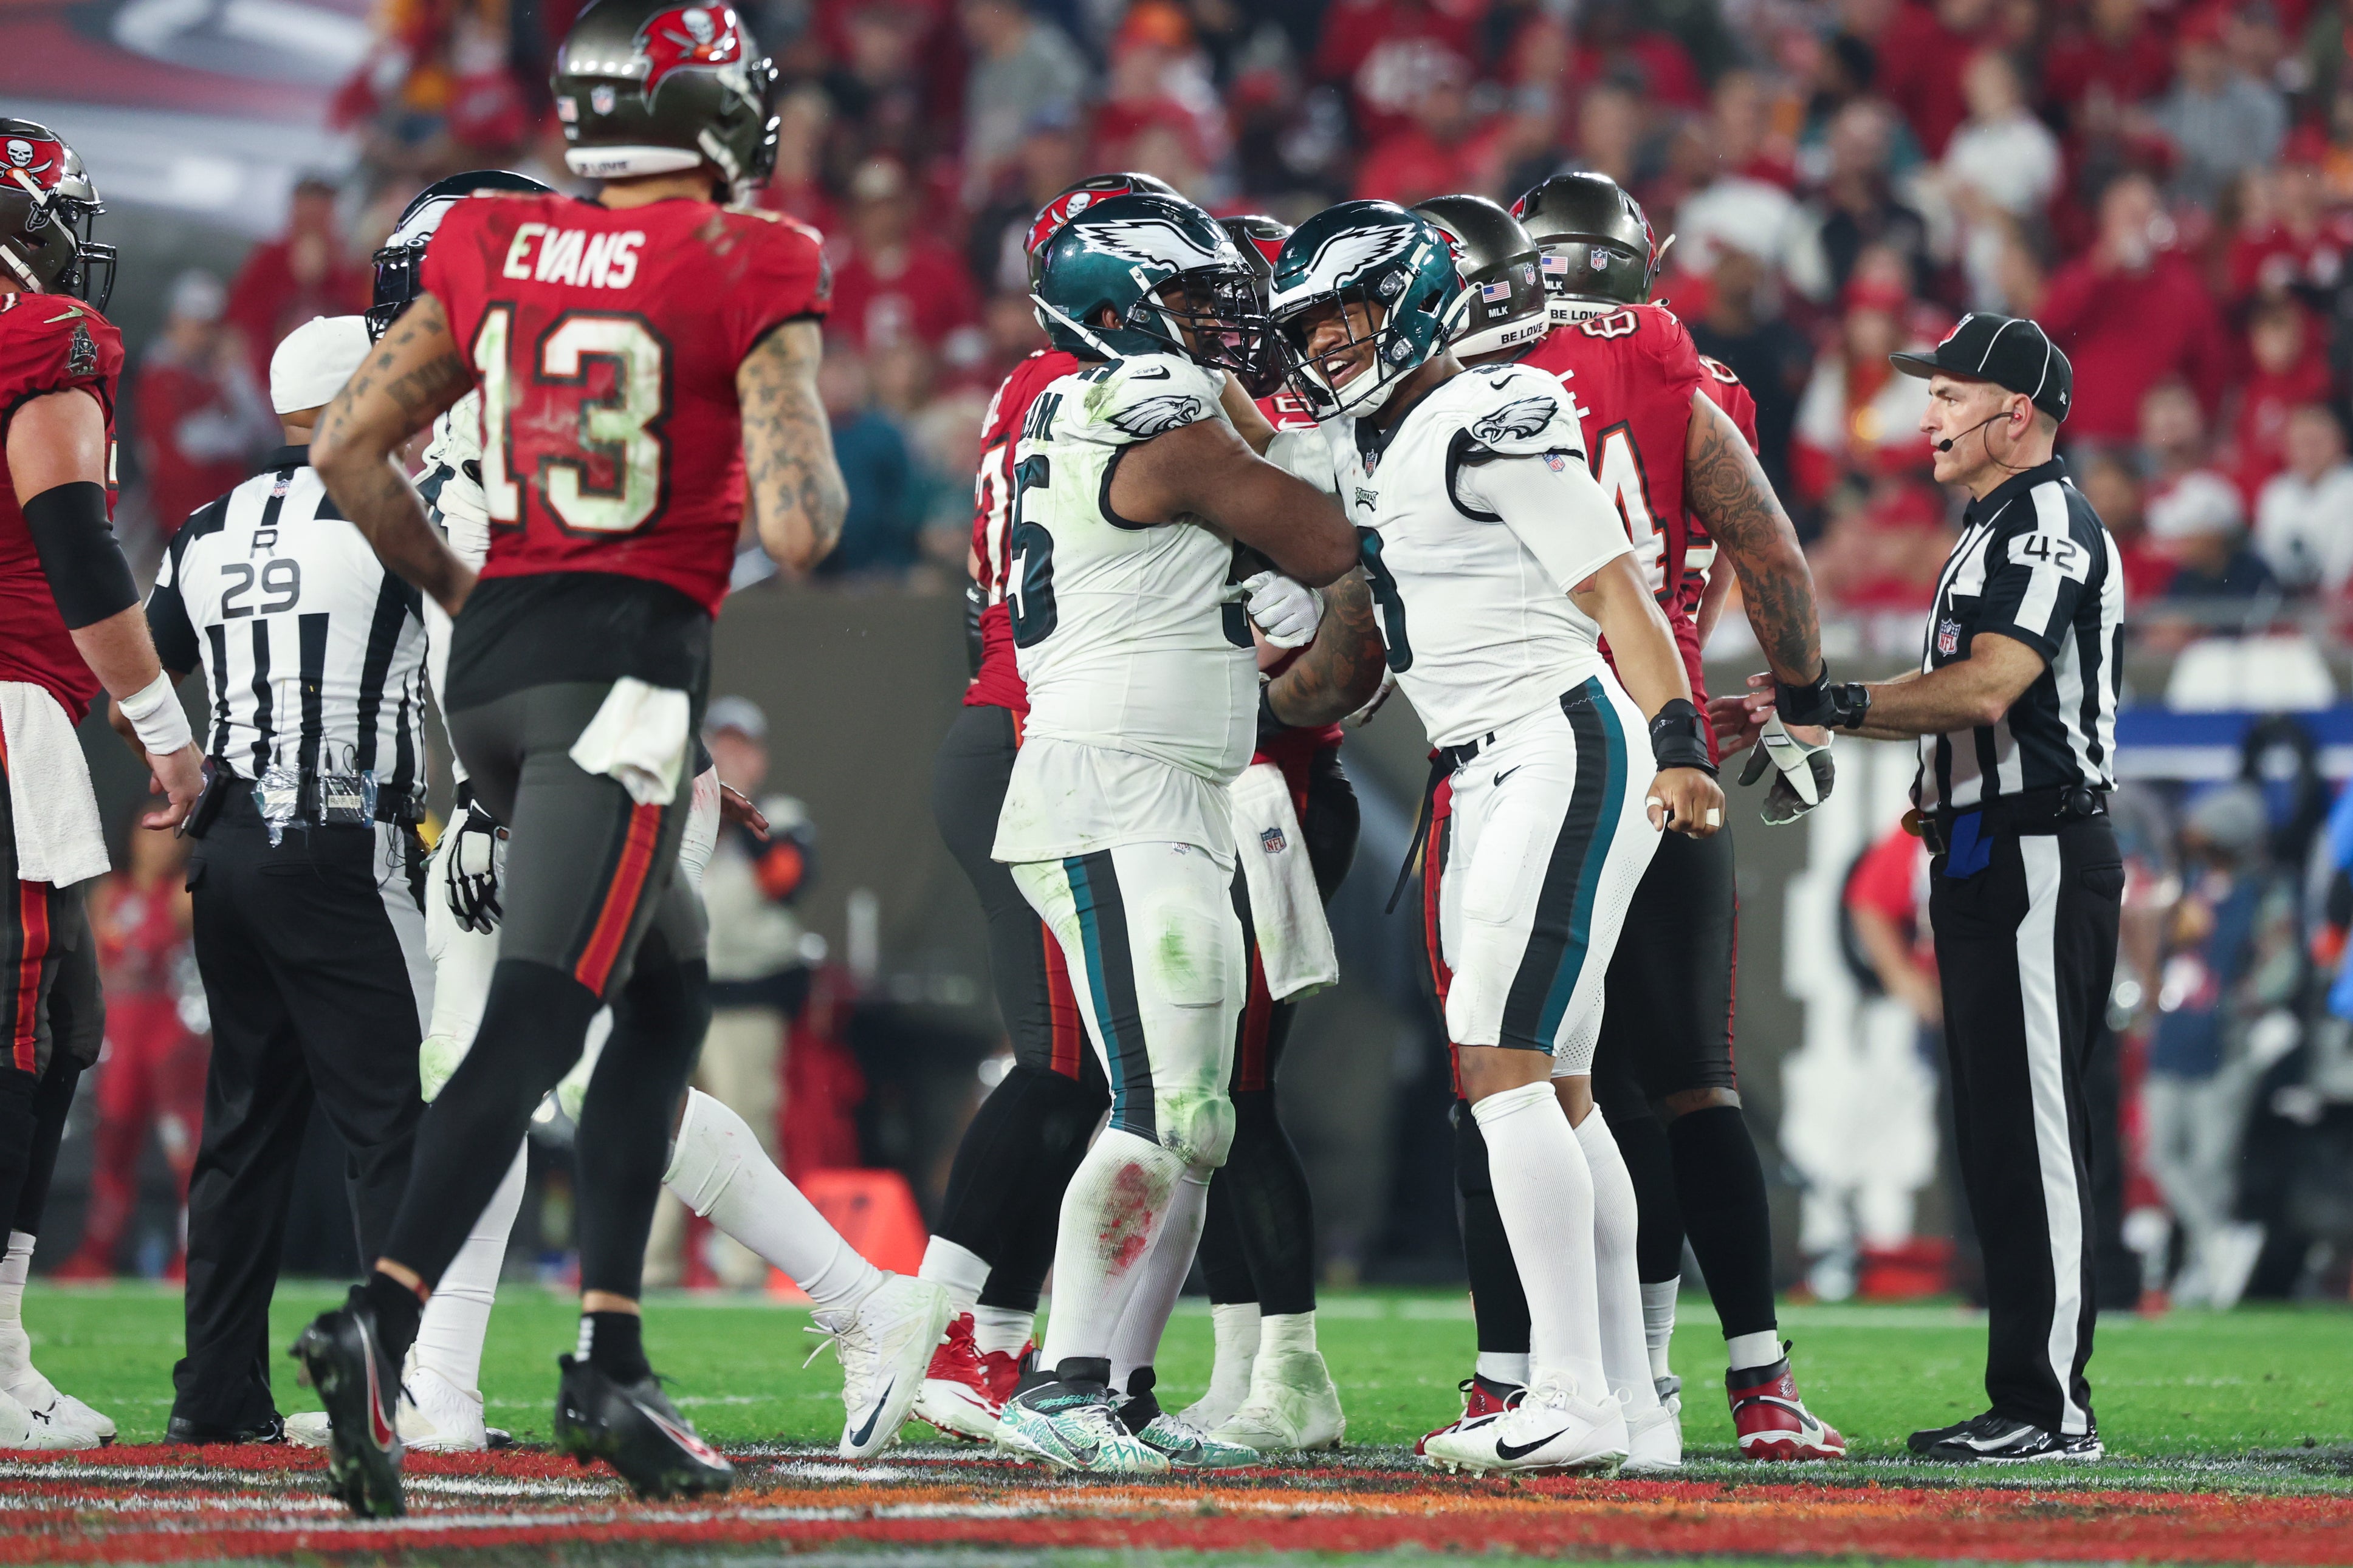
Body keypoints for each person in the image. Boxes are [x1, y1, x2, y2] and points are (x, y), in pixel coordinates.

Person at [295, 0, 901, 1513]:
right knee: (534, 1030)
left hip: (489, 675)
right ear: (705, 112)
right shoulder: (748, 254)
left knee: (667, 987)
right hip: (617, 680)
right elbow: (804, 524)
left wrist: (464, 594)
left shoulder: (499, 251)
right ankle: (384, 1316)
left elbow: (346, 451)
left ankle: (606, 1346)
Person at [1263, 199, 1723, 1476]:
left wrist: (1680, 737)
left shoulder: (1485, 409)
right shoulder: (1389, 435)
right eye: (1318, 323)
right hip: (1494, 758)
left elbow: (1612, 584)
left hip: (1555, 738)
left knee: (1503, 1068)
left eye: (1350, 314)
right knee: (1561, 1093)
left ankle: (1569, 1391)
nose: (1333, 342)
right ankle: (1631, 1407)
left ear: (1416, 299)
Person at [1404, 177, 1842, 1467]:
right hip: (1660, 736)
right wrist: (1805, 703)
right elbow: (1761, 540)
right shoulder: (1673, 366)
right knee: (1686, 1080)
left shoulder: (1465, 386)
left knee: (1513, 1067)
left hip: (1534, 741)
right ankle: (1730, 1382)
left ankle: (1529, 1378)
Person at [986, 190, 1356, 1474]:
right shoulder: (1145, 407)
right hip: (1111, 785)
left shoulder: (1115, 404)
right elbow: (1323, 540)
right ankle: (1061, 1384)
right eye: (1195, 298)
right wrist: (1334, 448)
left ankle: (1107, 1387)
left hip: (1177, 788)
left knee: (1193, 1117)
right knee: (1165, 1101)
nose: (1222, 319)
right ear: (1117, 310)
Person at [1725, 311, 2126, 1463]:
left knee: (2037, 1130)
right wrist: (1810, 710)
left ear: (2019, 413)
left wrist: (1834, 703)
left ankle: (2053, 1407)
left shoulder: (2045, 520)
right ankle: (2024, 1396)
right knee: (1996, 1131)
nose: (1927, 417)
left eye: (1950, 397)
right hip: (1983, 848)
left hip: (2038, 849)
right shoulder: (1995, 523)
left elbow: (1990, 686)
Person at [136, 316, 431, 1446]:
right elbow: (483, 663)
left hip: (232, 849)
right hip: (344, 843)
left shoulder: (208, 525)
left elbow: (137, 675)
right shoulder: (395, 508)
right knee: (393, 1127)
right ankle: (398, 1387)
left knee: (244, 1134)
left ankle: (214, 1396)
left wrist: (178, 769)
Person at [913, 173, 1155, 1441]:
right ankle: (944, 1331)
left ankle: (990, 1339)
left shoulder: (1028, 393)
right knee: (1063, 1067)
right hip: (1030, 735)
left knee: (1077, 1070)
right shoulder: (1098, 395)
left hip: (1014, 717)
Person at [0, 118, 194, 1452]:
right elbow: (72, 533)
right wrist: (161, 720)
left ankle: (7, 1351)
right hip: (9, 706)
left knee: (65, 1017)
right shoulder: (48, 330)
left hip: (27, 710)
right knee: (24, 1026)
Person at [644, 696, 817, 1290]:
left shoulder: (781, 815)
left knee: (745, 1127)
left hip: (745, 999)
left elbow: (785, 880)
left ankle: (744, 1266)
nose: (729, 756)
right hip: (676, 991)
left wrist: (733, 814)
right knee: (660, 1125)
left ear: (760, 758)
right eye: (719, 744)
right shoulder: (675, 814)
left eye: (741, 746)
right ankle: (651, 1265)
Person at [55, 810, 206, 1281]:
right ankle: (96, 1253)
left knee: (188, 1153)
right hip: (121, 1038)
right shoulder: (108, 895)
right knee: (113, 1145)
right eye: (152, 834)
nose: (162, 845)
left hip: (171, 1041)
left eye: (172, 837)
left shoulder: (184, 895)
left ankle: (192, 1257)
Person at [131, 272, 274, 541]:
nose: (206, 336)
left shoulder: (211, 374)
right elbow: (192, 443)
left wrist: (235, 373)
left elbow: (265, 430)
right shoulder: (160, 375)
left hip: (221, 515)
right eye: (199, 326)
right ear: (177, 320)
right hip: (189, 520)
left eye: (210, 327)